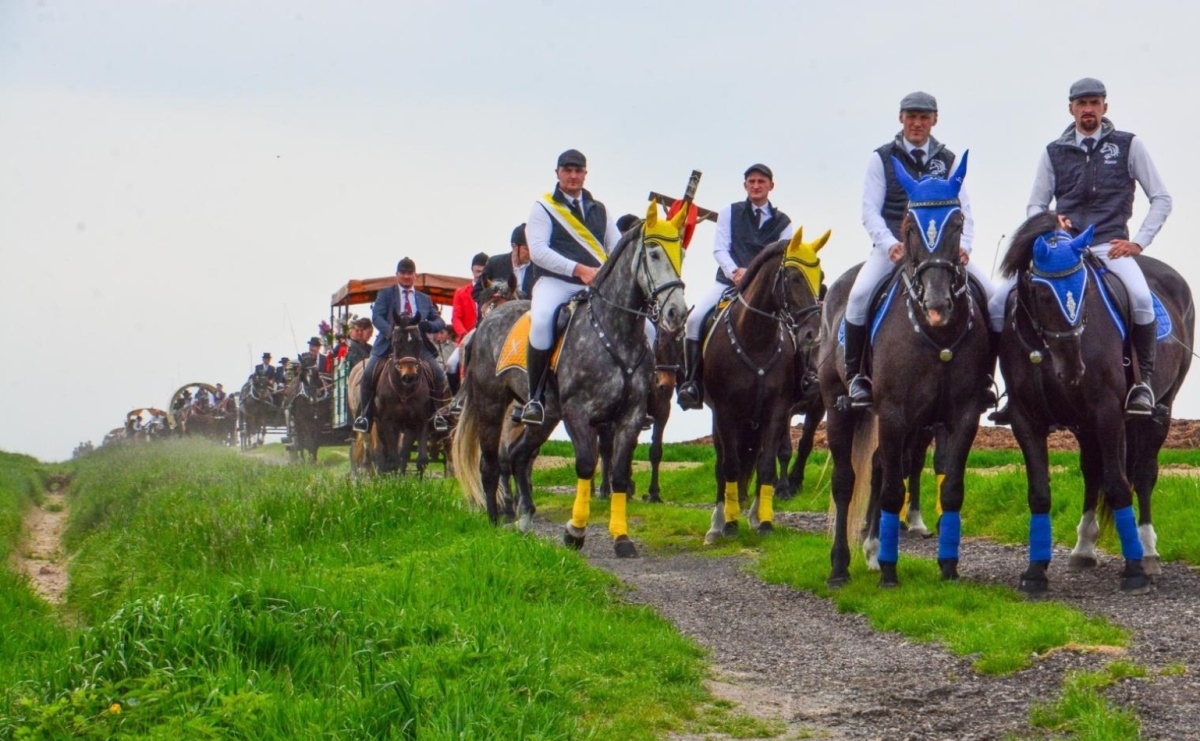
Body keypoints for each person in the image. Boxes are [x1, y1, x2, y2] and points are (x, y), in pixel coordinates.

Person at [989, 78, 1172, 421]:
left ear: (1105, 106)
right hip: (1063, 251)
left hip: (1108, 246)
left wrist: (1139, 242)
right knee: (999, 302)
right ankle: (1008, 389)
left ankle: (1142, 384)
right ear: (1071, 108)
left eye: (1094, 102)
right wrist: (1048, 221)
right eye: (1081, 103)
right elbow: (1035, 204)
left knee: (1142, 299)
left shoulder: (1128, 145)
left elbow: (1161, 198)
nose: (1088, 109)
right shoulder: (1053, 152)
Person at [842, 91, 994, 409]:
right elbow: (870, 211)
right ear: (901, 119)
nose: (917, 123)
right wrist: (890, 245)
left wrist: (964, 247)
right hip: (895, 249)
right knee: (857, 296)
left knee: (993, 298)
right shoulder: (881, 158)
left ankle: (985, 380)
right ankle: (857, 376)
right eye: (911, 116)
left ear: (934, 120)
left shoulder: (949, 160)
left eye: (924, 117)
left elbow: (964, 209)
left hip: (943, 251)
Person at [676, 164, 795, 409]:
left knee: (795, 324)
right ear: (745, 186)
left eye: (761, 181)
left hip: (765, 290)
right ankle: (692, 383)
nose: (756, 186)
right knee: (695, 319)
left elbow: (783, 257)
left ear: (771, 186)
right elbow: (720, 248)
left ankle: (801, 381)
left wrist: (753, 274)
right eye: (751, 181)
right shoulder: (729, 212)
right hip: (728, 283)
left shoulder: (784, 223)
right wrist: (735, 273)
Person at [519, 148, 622, 425]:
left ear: (585, 175)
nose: (573, 176)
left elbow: (616, 247)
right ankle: (535, 397)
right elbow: (538, 251)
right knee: (541, 322)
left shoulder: (600, 209)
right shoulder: (543, 207)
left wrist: (610, 272)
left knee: (643, 325)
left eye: (578, 171)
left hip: (596, 285)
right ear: (558, 173)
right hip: (557, 282)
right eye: (568, 170)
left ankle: (637, 393)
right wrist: (578, 269)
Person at [353, 257, 451, 433]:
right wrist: (391, 333)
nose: (406, 277)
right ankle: (365, 416)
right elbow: (377, 317)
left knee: (438, 374)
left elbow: (439, 321)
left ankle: (437, 415)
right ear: (397, 275)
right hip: (389, 344)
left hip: (416, 347)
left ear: (415, 276)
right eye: (403, 273)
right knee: (368, 374)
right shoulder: (385, 294)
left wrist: (428, 325)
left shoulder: (424, 298)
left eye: (410, 273)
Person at [479, 224, 539, 304]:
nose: (530, 253)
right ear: (514, 246)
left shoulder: (538, 270)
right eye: (526, 249)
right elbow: (477, 291)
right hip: (497, 312)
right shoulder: (494, 263)